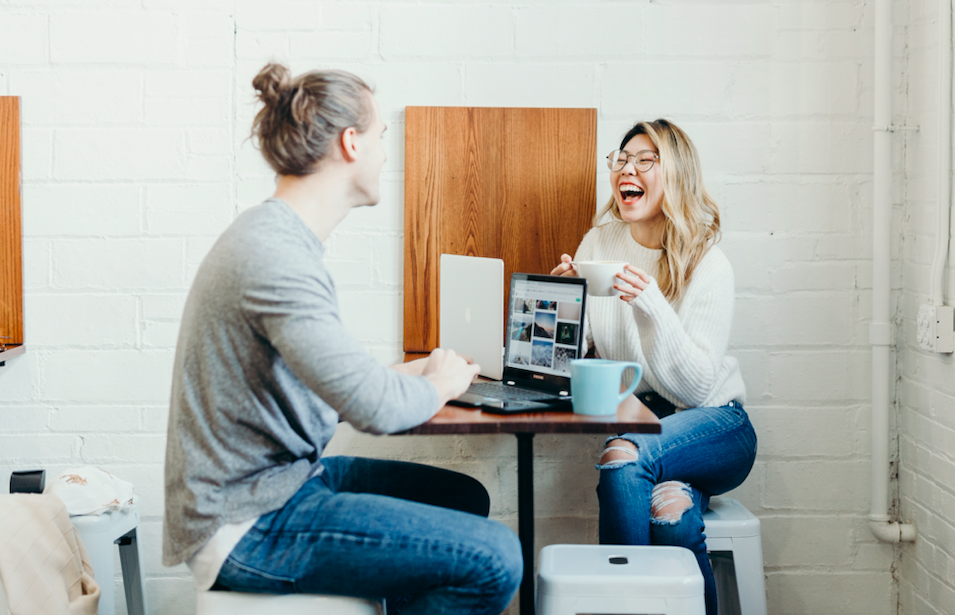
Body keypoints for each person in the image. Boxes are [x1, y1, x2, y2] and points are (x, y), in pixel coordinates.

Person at [162, 63, 522, 615]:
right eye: (381, 137)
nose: (385, 153)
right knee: (496, 558)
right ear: (351, 143)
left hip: (283, 486)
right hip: (247, 522)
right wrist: (441, 384)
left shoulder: (281, 240)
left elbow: (338, 385)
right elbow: (372, 407)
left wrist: (423, 372)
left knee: (463, 496)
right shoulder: (275, 258)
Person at [550, 119, 757, 615]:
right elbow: (585, 355)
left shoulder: (708, 262)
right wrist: (566, 307)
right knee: (672, 516)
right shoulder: (598, 244)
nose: (629, 168)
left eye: (646, 160)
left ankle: (617, 607)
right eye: (622, 158)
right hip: (648, 420)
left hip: (716, 423)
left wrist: (651, 303)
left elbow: (696, 384)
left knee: (622, 455)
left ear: (676, 174)